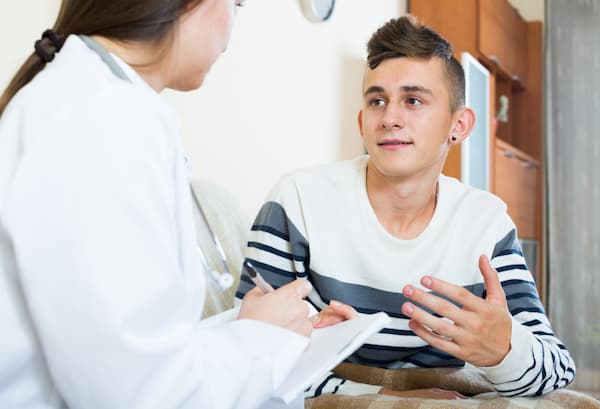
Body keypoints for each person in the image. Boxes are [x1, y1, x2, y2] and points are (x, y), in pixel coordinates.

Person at [0, 1, 346, 408]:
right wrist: (263, 339)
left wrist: (254, 325)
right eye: (236, 4)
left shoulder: (97, 102)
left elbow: (132, 346)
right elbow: (139, 395)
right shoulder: (102, 119)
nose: (231, 34)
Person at [236, 15, 576, 399]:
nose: (391, 118)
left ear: (459, 125)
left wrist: (503, 349)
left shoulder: (486, 223)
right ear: (362, 121)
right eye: (377, 101)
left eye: (413, 100)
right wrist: (387, 402)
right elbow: (250, 355)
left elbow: (556, 370)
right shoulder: (296, 202)